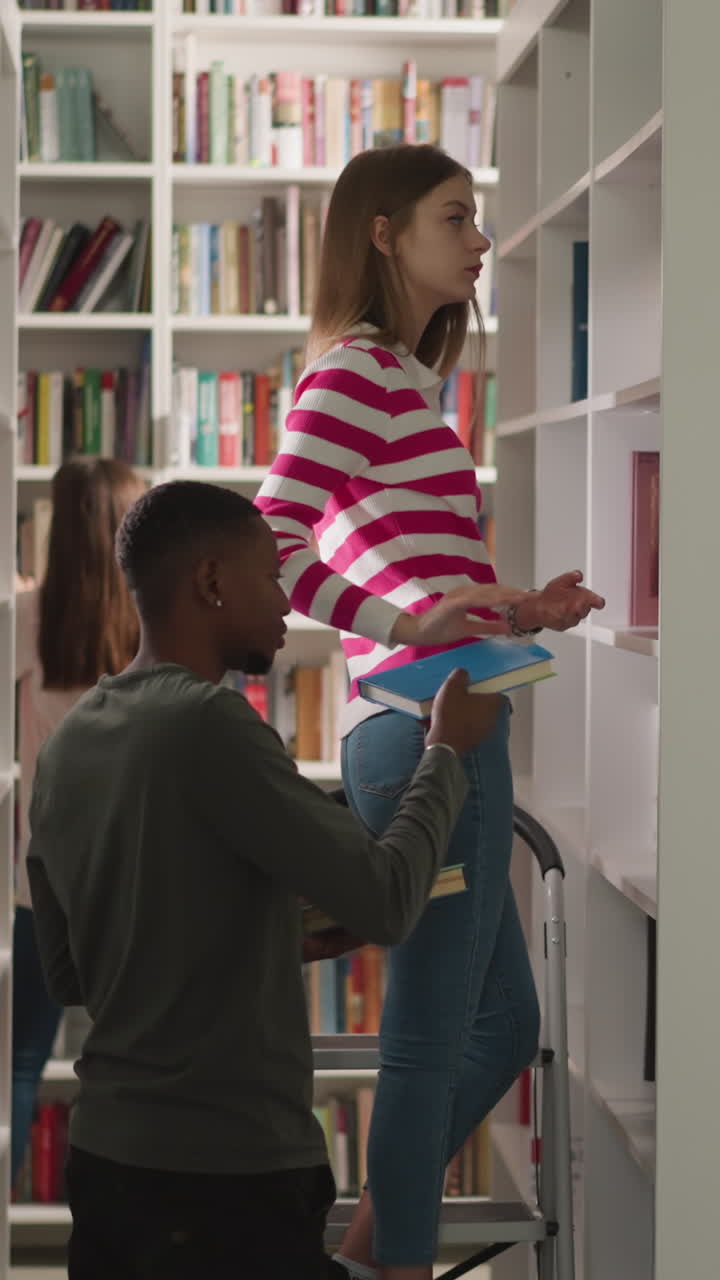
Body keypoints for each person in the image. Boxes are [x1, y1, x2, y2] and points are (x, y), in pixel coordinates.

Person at [255, 143, 605, 1280]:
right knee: (429, 1032)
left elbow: (411, 574)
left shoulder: (403, 382)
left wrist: (514, 608)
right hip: (422, 735)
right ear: (383, 232)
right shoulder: (354, 374)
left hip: (447, 719)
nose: (482, 239)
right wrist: (409, 625)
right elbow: (269, 545)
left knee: (500, 1026)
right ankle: (391, 1266)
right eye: (455, 216)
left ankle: (367, 1255)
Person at [27, 479, 514, 1280]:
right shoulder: (211, 723)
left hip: (108, 1166)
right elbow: (389, 901)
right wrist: (444, 752)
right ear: (212, 581)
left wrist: (267, 933)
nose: (287, 600)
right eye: (270, 575)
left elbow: (72, 972)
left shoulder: (69, 743)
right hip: (228, 1178)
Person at [12, 457, 145, 1186]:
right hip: (137, 883)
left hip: (42, 882)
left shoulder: (26, 616)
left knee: (19, 1065)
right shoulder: (157, 621)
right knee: (142, 1071)